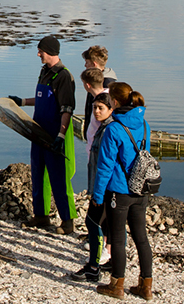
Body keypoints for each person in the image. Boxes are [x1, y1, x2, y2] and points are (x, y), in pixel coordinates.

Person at [7, 35, 77, 234]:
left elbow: (66, 109)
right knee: (38, 173)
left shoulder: (64, 76)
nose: (38, 54)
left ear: (51, 52)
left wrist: (61, 136)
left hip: (56, 134)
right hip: (38, 132)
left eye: (41, 51)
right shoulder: (44, 72)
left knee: (59, 177)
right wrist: (22, 102)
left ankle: (67, 221)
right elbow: (42, 99)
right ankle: (41, 216)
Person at [92, 82, 154, 300]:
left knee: (117, 238)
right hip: (141, 190)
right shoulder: (144, 124)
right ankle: (146, 286)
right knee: (141, 238)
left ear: (115, 102)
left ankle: (116, 285)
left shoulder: (114, 129)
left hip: (119, 191)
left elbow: (105, 166)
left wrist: (98, 195)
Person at [69, 92, 116, 282]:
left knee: (93, 223)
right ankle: (110, 263)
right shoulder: (105, 127)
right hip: (106, 186)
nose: (96, 112)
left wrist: (98, 193)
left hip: (105, 187)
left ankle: (93, 267)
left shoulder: (108, 130)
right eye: (94, 108)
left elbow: (106, 165)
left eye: (100, 108)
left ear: (111, 109)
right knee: (109, 225)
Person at [82, 45, 117, 140]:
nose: (85, 65)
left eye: (87, 62)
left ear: (94, 64)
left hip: (100, 136)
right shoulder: (95, 79)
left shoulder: (106, 84)